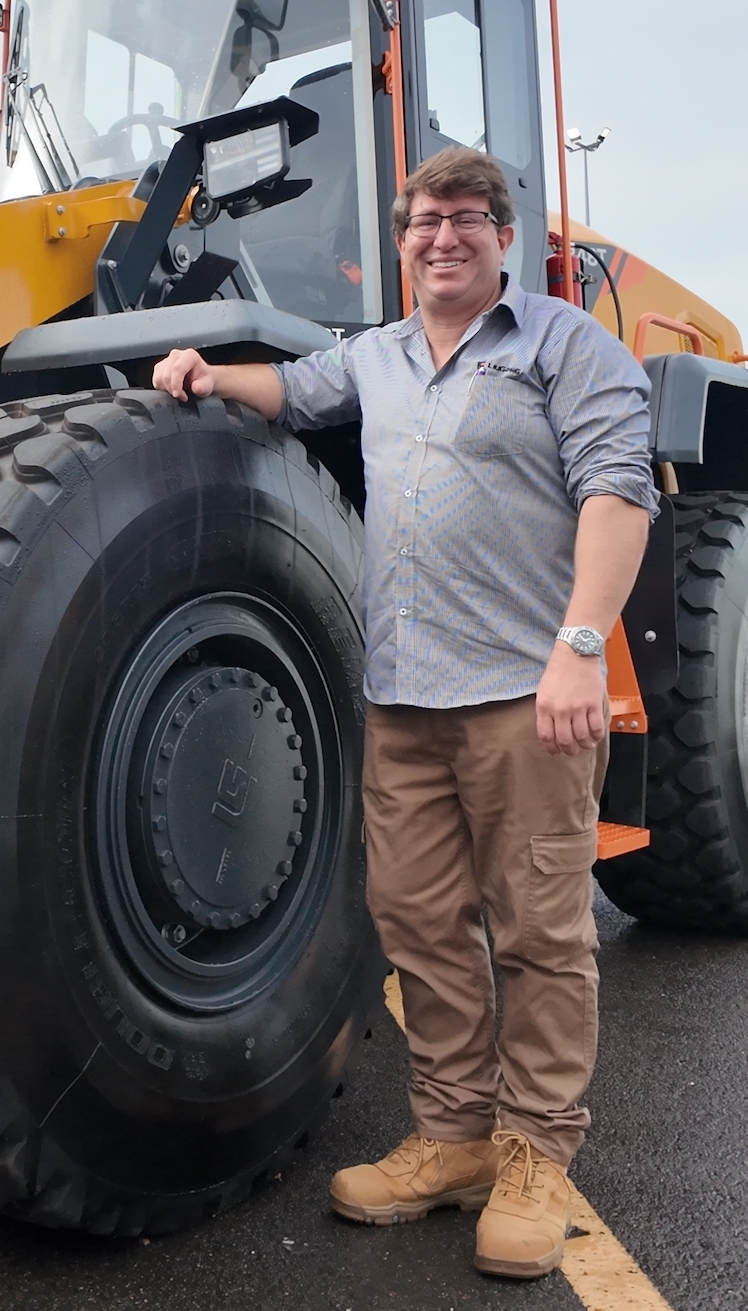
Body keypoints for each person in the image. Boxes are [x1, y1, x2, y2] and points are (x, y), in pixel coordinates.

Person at [152, 147, 656, 1281]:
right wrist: (207, 370)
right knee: (421, 924)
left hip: (524, 692)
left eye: (467, 218)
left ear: (503, 235)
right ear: (404, 236)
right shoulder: (375, 358)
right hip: (404, 696)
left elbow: (618, 495)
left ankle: (535, 1153)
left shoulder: (569, 347)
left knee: (538, 932)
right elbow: (292, 391)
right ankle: (454, 1136)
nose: (443, 236)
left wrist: (581, 649)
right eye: (426, 220)